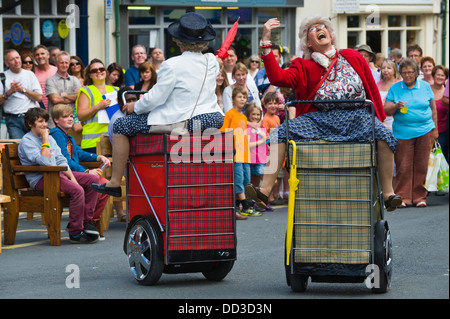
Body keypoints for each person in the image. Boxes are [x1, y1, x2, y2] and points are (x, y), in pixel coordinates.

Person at [245, 16, 401, 213]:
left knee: (384, 135)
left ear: (330, 34)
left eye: (322, 26)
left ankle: (388, 194)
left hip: (356, 116)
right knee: (280, 132)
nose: (320, 29)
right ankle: (264, 190)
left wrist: (379, 119)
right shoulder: (302, 65)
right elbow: (278, 77)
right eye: (313, 28)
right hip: (318, 118)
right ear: (309, 43)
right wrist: (266, 41)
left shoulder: (352, 56)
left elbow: (371, 88)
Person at [91, 12, 225, 198]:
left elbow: (156, 98)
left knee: (121, 125)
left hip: (187, 120)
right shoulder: (211, 61)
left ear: (179, 40)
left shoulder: (171, 64)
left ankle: (115, 182)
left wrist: (134, 107)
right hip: (213, 118)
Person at [18, 107, 100, 243]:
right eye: (40, 122)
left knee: (93, 180)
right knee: (77, 190)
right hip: (41, 179)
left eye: (45, 121)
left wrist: (73, 178)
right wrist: (45, 139)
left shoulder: (50, 138)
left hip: (58, 174)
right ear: (30, 124)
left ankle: (86, 222)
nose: (44, 125)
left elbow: (61, 160)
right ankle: (75, 232)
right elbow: (45, 162)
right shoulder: (28, 141)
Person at [384, 58, 438, 208]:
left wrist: (435, 130)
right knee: (403, 165)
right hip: (403, 131)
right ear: (400, 73)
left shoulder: (425, 86)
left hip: (425, 130)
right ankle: (403, 197)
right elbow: (386, 109)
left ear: (416, 73)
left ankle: (420, 197)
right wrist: (396, 106)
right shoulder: (395, 88)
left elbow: (432, 108)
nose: (407, 75)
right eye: (404, 72)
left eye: (410, 72)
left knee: (421, 165)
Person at [50, 104, 111, 232]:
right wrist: (86, 171)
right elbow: (65, 160)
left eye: (71, 116)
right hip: (64, 174)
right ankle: (85, 222)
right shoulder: (56, 134)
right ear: (56, 120)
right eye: (65, 117)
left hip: (73, 173)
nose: (70, 119)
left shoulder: (69, 136)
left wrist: (98, 157)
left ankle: (90, 222)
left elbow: (80, 153)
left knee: (105, 186)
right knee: (96, 182)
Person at [221, 87, 261, 219]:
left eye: (244, 97)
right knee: (238, 180)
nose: (242, 99)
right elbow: (223, 132)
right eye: (239, 97)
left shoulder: (243, 117)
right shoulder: (229, 114)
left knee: (245, 181)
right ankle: (246, 206)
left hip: (244, 154)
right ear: (233, 99)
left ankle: (237, 209)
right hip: (235, 154)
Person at [76, 58, 117, 153]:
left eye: (101, 69)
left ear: (106, 72)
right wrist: (98, 106)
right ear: (90, 75)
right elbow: (81, 115)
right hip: (92, 142)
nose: (98, 72)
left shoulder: (115, 90)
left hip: (113, 140)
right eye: (94, 71)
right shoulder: (86, 91)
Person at [0, 49, 43, 139]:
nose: (16, 61)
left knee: (34, 144)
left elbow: (39, 97)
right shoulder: (2, 77)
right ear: (7, 63)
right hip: (12, 119)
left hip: (30, 117)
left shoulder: (30, 74)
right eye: (12, 59)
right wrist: (9, 92)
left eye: (17, 58)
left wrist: (23, 90)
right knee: (18, 146)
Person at [46, 51, 82, 131]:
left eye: (66, 63)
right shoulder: (50, 80)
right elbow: (55, 100)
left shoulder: (74, 80)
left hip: (72, 124)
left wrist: (64, 95)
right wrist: (73, 97)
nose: (64, 65)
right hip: (55, 124)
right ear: (56, 63)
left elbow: (79, 97)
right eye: (61, 63)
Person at [244, 102, 268, 190]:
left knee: (262, 182)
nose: (256, 116)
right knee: (255, 183)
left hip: (262, 160)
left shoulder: (262, 128)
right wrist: (262, 140)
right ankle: (257, 200)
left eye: (258, 114)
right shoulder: (247, 128)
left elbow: (267, 142)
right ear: (248, 115)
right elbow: (248, 145)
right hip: (253, 160)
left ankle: (261, 199)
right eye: (253, 114)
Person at [431, 65, 449, 162]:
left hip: (443, 131)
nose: (440, 77)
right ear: (433, 76)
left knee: (443, 158)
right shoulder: (427, 89)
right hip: (427, 129)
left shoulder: (446, 93)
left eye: (443, 75)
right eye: (438, 75)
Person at [377, 58, 401, 131]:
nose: (385, 70)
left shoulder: (399, 84)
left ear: (394, 70)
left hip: (394, 118)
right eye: (383, 68)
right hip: (379, 118)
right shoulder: (378, 83)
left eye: (389, 68)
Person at [33, 44, 57, 109]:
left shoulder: (56, 70)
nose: (40, 56)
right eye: (37, 55)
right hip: (39, 110)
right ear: (34, 58)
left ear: (48, 55)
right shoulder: (32, 73)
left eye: (42, 53)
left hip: (56, 109)